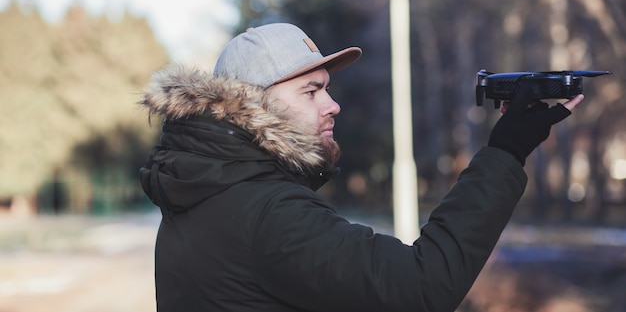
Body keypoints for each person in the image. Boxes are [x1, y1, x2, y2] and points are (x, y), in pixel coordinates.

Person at [139, 22, 584, 312]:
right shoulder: (268, 213)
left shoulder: (202, 195)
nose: (332, 105)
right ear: (253, 106)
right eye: (311, 92)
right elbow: (420, 287)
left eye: (327, 89)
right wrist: (506, 151)